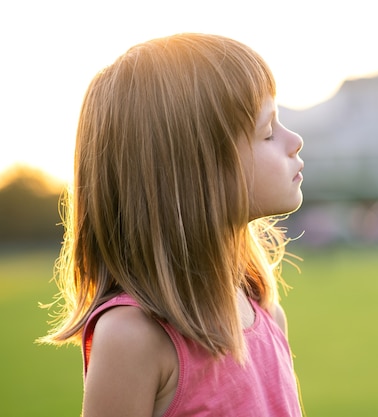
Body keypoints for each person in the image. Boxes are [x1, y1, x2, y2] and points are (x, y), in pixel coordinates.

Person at [39, 33, 305, 417]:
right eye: (267, 131)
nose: (294, 140)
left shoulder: (266, 314)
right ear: (194, 173)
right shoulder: (133, 338)